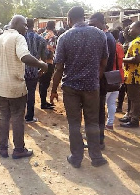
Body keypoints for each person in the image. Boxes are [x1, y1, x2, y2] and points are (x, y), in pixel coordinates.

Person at [50, 7, 108, 168]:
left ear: (69, 20)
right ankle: (96, 157)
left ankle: (76, 157)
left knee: (74, 123)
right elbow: (104, 61)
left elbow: (59, 68)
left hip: (71, 88)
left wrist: (54, 89)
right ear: (84, 17)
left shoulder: (64, 37)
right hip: (92, 87)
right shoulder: (99, 34)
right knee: (92, 122)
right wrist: (97, 76)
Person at [0, 15, 48, 159]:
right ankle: (19, 149)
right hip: (15, 86)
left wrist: (1, 71)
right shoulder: (18, 38)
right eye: (25, 25)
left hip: (0, 86)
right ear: (17, 24)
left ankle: (2, 147)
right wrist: (42, 64)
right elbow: (24, 57)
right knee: (17, 118)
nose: (26, 28)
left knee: (3, 117)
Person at [89, 12, 116, 149]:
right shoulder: (105, 37)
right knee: (96, 110)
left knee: (98, 111)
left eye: (93, 24)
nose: (92, 27)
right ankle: (96, 138)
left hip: (101, 80)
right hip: (100, 79)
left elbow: (103, 63)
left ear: (101, 22)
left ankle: (99, 141)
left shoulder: (106, 38)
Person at [120, 21, 140, 128]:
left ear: (139, 28)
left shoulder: (137, 42)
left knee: (135, 98)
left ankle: (134, 120)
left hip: (134, 74)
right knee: (132, 97)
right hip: (135, 73)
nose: (129, 30)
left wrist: (121, 60)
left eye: (132, 28)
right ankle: (130, 116)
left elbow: (137, 59)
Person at [25, 18, 48, 123]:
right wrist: (42, 70)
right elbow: (44, 57)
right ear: (33, 25)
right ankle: (29, 117)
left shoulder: (19, 38)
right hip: (33, 70)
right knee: (31, 93)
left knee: (18, 94)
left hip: (19, 70)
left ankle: (17, 117)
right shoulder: (41, 39)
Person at [105, 29, 125, 130]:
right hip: (118, 75)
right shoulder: (120, 46)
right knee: (112, 103)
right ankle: (110, 123)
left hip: (108, 76)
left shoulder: (109, 46)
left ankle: (100, 126)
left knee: (101, 103)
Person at [39, 21, 56, 109]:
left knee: (41, 82)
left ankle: (43, 101)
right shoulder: (52, 36)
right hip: (48, 62)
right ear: (54, 26)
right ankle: (43, 103)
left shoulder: (42, 34)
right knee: (45, 83)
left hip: (40, 62)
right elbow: (49, 50)